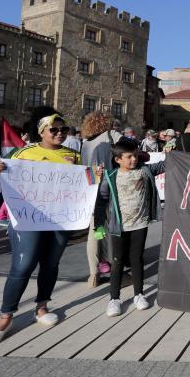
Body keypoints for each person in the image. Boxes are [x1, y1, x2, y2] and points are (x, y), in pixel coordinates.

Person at [0, 113, 81, 348]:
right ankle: (6, 316)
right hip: (28, 218)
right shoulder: (23, 153)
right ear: (41, 132)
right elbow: (7, 182)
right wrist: (1, 172)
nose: (59, 133)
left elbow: (85, 183)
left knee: (51, 263)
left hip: (60, 218)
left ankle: (42, 305)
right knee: (23, 264)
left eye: (63, 129)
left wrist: (88, 173)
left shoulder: (74, 155)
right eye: (53, 130)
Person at [94, 139, 164, 316]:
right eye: (129, 157)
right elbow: (101, 201)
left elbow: (165, 165)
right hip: (119, 227)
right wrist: (98, 225)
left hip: (140, 224)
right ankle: (114, 299)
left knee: (137, 259)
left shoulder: (145, 170)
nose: (134, 159)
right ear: (118, 159)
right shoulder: (110, 177)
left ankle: (139, 295)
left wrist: (179, 153)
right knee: (117, 261)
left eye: (135, 155)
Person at [80, 111, 121, 287]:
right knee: (112, 227)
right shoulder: (111, 135)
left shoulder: (85, 143)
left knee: (95, 230)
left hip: (90, 189)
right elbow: (131, 149)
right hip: (110, 187)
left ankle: (93, 273)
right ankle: (111, 264)